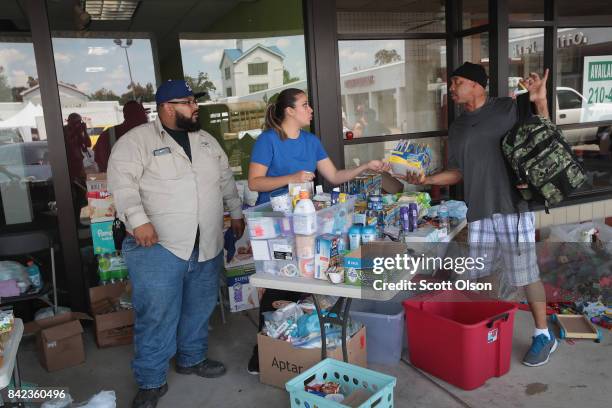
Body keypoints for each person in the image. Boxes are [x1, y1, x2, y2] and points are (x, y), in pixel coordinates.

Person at [395, 62, 557, 367]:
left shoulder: (509, 108)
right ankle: (484, 329)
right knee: (478, 276)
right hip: (480, 210)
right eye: (451, 82)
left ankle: (543, 335)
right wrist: (426, 180)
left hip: (512, 206)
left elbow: (545, 136)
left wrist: (540, 100)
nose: (452, 88)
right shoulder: (457, 128)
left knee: (525, 274)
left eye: (457, 82)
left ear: (477, 85)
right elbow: (457, 172)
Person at [108, 80, 245, 408]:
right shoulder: (136, 142)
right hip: (159, 247)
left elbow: (225, 180)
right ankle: (151, 380)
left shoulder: (207, 141)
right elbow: (122, 184)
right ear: (168, 107)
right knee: (156, 315)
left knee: (199, 309)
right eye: (188, 102)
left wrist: (236, 213)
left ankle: (192, 359)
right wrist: (137, 220)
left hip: (207, 243)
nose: (195, 107)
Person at [246, 88, 388, 374]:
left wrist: (365, 168)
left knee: (306, 283)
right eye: (305, 105)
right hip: (276, 226)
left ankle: (297, 344)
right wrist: (292, 178)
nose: (310, 110)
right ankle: (265, 347)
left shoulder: (311, 141)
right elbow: (254, 183)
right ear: (289, 111)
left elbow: (334, 176)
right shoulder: (268, 140)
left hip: (306, 223)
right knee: (279, 285)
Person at [94, 100, 148, 172]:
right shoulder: (146, 134)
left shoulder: (107, 134)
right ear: (138, 115)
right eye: (144, 113)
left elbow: (100, 163)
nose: (146, 117)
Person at [63, 112, 91, 183]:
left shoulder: (78, 131)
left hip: (79, 162)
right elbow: (69, 142)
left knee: (82, 182)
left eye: (79, 122)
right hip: (69, 163)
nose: (78, 124)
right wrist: (76, 131)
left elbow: (88, 144)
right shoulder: (65, 130)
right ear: (69, 122)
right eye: (75, 122)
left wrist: (85, 131)